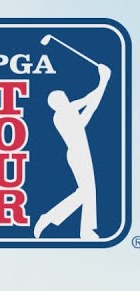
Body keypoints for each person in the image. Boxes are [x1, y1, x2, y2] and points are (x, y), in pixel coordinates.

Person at [34, 62, 111, 240]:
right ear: (56, 103)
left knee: (88, 192)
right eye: (62, 97)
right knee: (85, 192)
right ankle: (50, 217)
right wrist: (104, 79)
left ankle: (86, 231)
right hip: (77, 154)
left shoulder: (69, 112)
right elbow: (89, 101)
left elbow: (90, 106)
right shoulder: (61, 115)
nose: (66, 98)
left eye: (65, 96)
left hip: (82, 152)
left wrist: (103, 82)